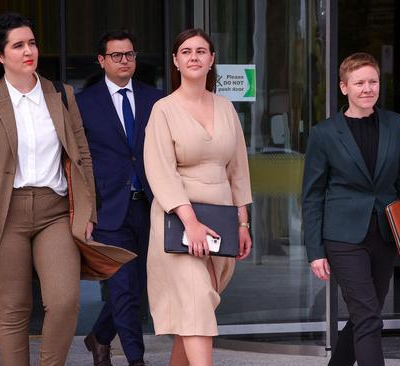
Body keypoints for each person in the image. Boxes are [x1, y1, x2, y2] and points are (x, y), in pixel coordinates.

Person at [0, 13, 133, 366]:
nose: (28, 50)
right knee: (13, 309)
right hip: (5, 213)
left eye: (31, 43)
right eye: (18, 45)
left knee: (65, 301)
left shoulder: (60, 95)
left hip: (55, 212)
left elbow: (83, 157)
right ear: (1, 56)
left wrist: (88, 211)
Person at [302, 52, 400, 366]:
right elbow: (313, 196)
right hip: (343, 237)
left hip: (385, 236)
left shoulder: (395, 125)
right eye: (359, 82)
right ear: (344, 87)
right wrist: (315, 250)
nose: (367, 88)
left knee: (366, 314)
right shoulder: (324, 134)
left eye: (372, 81)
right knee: (368, 316)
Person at [143, 28, 253, 366]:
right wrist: (190, 223)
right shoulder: (163, 110)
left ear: (211, 60)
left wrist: (243, 221)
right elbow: (161, 171)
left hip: (221, 219)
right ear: (176, 61)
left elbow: (238, 169)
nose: (194, 57)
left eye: (201, 51)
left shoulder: (226, 108)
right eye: (186, 51)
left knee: (193, 312)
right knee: (196, 304)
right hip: (179, 223)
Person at [75, 30, 163, 366]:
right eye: (116, 55)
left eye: (129, 54)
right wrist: (85, 210)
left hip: (150, 206)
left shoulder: (156, 99)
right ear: (102, 60)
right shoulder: (83, 103)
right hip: (108, 209)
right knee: (122, 286)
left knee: (137, 287)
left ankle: (99, 336)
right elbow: (78, 162)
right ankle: (136, 360)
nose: (124, 60)